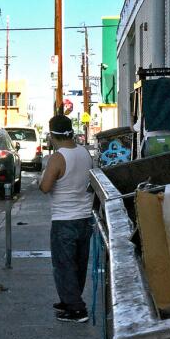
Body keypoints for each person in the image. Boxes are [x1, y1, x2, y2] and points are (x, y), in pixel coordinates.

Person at [38, 114, 95, 323]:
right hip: (85, 217)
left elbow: (45, 187)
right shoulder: (84, 153)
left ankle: (76, 308)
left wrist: (40, 179)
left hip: (64, 219)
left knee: (64, 265)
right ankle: (69, 299)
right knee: (78, 264)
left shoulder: (58, 157)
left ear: (52, 134)